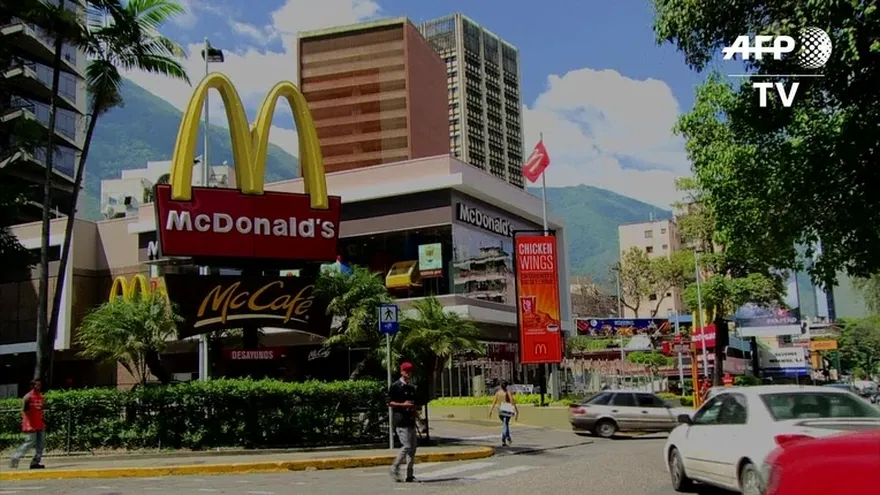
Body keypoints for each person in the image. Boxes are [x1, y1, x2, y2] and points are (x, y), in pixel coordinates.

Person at [387, 362, 419, 483]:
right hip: (401, 420)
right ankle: (394, 467)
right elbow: (389, 402)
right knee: (406, 446)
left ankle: (410, 475)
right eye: (406, 371)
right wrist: (403, 405)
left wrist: (418, 420)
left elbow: (414, 405)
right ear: (401, 371)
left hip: (410, 420)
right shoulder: (396, 386)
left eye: (410, 371)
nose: (408, 373)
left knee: (413, 449)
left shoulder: (411, 388)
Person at [10, 379, 46, 470]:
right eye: (37, 385)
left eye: (39, 385)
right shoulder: (28, 397)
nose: (39, 387)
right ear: (32, 386)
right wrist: (29, 424)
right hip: (31, 424)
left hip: (40, 424)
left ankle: (35, 462)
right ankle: (16, 456)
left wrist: (43, 420)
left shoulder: (41, 397)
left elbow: (40, 410)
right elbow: (25, 411)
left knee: (40, 445)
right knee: (30, 442)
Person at [488, 381, 518, 446]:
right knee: (505, 424)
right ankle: (504, 438)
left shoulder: (498, 393)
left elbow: (494, 402)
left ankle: (507, 438)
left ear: (501, 386)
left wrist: (490, 411)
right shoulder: (508, 392)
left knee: (505, 424)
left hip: (500, 410)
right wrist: (516, 411)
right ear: (506, 386)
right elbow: (512, 401)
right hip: (506, 409)